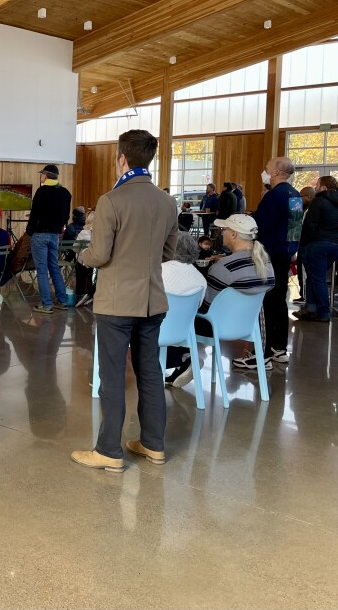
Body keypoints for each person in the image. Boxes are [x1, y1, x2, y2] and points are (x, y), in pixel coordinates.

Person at [71, 129, 178, 473]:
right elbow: (169, 251)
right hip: (153, 301)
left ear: (122, 159)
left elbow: (100, 254)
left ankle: (108, 451)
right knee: (150, 372)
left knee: (113, 376)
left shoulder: (111, 201)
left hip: (117, 303)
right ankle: (153, 445)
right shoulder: (166, 201)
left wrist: (82, 256)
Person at [167, 215, 274, 386]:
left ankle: (183, 358)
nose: (221, 234)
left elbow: (204, 305)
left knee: (176, 314)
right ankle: (185, 358)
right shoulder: (265, 262)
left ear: (234, 235)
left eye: (224, 230)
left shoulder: (223, 267)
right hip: (247, 325)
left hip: (215, 327)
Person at [233, 157, 302, 370]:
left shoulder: (275, 195)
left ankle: (260, 353)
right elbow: (295, 228)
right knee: (279, 301)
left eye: (267, 168)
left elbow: (258, 225)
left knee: (265, 303)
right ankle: (278, 348)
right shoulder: (295, 194)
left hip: (269, 254)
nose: (264, 171)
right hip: (285, 253)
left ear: (275, 173)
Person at [159, 233, 209, 388]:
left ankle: (181, 360)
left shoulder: (158, 271)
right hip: (182, 333)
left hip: (154, 332)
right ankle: (185, 358)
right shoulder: (201, 279)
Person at [26, 163, 72, 314]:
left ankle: (46, 304)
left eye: (42, 174)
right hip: (54, 236)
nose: (41, 177)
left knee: (41, 270)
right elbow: (66, 216)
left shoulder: (41, 192)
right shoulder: (65, 193)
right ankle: (62, 300)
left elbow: (34, 215)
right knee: (54, 267)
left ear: (45, 176)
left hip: (39, 235)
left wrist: (29, 232)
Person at [294, 175, 338, 323]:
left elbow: (309, 226)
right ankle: (311, 308)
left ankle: (323, 312)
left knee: (317, 279)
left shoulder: (318, 201)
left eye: (318, 185)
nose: (316, 188)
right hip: (334, 245)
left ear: (324, 187)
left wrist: (303, 245)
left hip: (317, 244)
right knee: (315, 277)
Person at [294, 186, 318, 305]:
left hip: (307, 245)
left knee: (305, 272)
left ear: (308, 196)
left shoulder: (310, 210)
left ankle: (306, 296)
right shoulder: (306, 208)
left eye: (301, 196)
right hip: (305, 244)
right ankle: (304, 295)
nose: (299, 199)